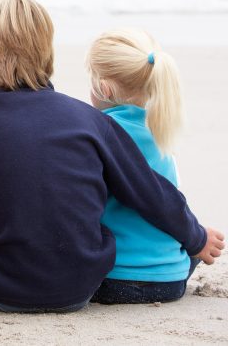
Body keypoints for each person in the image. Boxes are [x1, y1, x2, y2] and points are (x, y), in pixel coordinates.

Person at [0, 0, 224, 313]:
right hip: (80, 288)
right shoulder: (88, 119)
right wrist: (196, 238)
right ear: (48, 56)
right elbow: (150, 191)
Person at [87, 29, 211, 304]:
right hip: (172, 281)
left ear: (103, 89)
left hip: (112, 280)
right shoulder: (162, 135)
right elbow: (172, 200)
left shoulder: (98, 134)